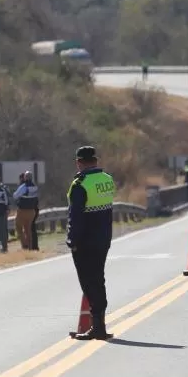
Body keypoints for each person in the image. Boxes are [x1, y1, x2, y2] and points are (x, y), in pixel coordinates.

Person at [67, 146, 116, 340]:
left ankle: (97, 327)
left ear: (79, 162)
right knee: (98, 279)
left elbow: (75, 216)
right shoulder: (107, 180)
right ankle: (99, 325)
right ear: (95, 161)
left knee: (89, 282)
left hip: (85, 241)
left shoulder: (80, 184)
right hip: (104, 238)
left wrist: (72, 240)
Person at [13, 171, 39, 250]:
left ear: (25, 177)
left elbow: (15, 195)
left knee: (18, 227)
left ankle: (24, 244)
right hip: (32, 211)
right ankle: (30, 246)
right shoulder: (35, 186)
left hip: (22, 210)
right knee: (28, 229)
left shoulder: (24, 186)